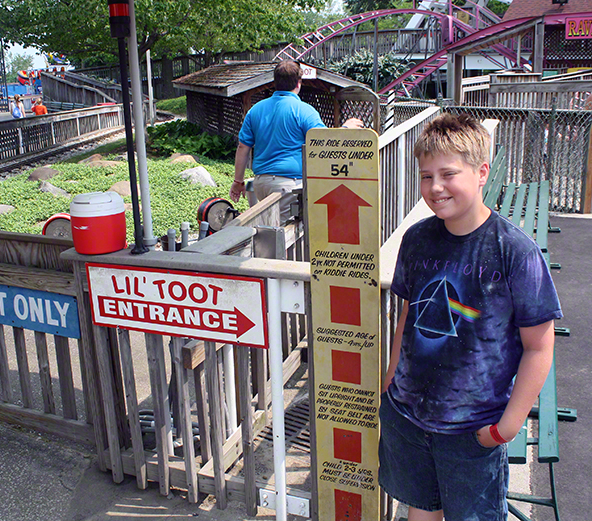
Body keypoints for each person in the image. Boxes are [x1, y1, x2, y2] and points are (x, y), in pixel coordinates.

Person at [379, 113, 562, 521]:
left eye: (448, 174)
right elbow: (409, 310)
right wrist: (391, 373)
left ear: (482, 172)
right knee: (420, 511)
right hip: (408, 416)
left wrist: (507, 427)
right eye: (426, 176)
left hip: (473, 430)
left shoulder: (515, 251)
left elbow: (539, 345)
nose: (435, 187)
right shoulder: (416, 238)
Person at [228, 59, 362, 223]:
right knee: (285, 237)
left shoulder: (255, 110)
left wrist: (238, 181)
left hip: (261, 183)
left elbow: (243, 147)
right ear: (299, 83)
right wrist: (346, 128)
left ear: (274, 82)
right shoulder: (304, 111)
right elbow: (323, 142)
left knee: (265, 235)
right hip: (288, 185)